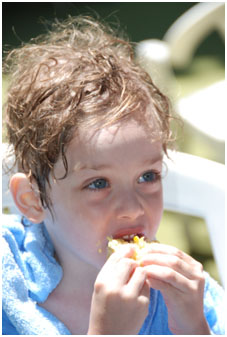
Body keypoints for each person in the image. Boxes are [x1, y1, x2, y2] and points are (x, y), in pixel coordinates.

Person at [2, 16, 225, 335]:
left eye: (148, 176)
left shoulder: (181, 293)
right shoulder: (10, 292)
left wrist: (192, 325)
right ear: (32, 198)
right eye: (98, 183)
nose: (133, 208)